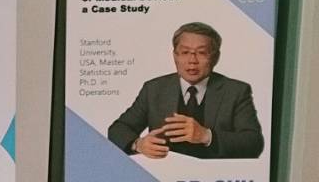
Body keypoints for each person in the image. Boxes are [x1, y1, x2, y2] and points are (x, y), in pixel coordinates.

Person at [107, 22, 264, 160]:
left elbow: (254, 142)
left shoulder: (236, 91)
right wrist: (138, 144)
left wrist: (206, 135)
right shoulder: (154, 89)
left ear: (215, 57)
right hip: (166, 174)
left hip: (215, 176)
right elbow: (118, 129)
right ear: (175, 56)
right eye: (185, 52)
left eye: (201, 53)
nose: (192, 61)